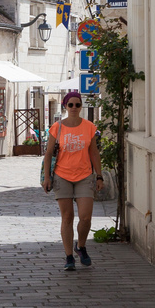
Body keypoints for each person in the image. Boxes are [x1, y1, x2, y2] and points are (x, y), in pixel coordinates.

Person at [43, 90, 101, 271]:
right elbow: (49, 153)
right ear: (65, 106)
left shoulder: (89, 127)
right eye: (71, 105)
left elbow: (93, 152)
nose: (74, 108)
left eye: (77, 105)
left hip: (84, 176)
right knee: (67, 217)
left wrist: (99, 175)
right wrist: (47, 177)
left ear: (81, 106)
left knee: (85, 217)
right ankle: (69, 256)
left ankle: (81, 246)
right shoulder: (57, 127)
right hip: (62, 175)